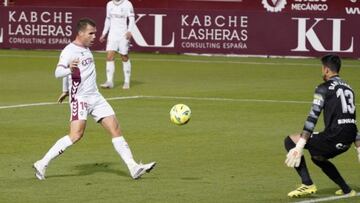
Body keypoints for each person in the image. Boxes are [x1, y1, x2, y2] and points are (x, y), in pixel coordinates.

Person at [33, 18, 155, 180]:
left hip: (96, 97)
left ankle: (133, 167)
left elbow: (75, 71)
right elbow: (58, 72)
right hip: (80, 99)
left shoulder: (85, 49)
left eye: (95, 33)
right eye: (90, 33)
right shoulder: (69, 50)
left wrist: (65, 89)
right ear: (81, 33)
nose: (93, 37)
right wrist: (69, 73)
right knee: (76, 135)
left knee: (115, 128)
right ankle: (42, 163)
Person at [284, 54, 359, 198]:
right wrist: (359, 147)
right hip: (348, 139)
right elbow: (351, 119)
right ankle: (347, 190)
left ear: (326, 69)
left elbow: (313, 117)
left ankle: (307, 184)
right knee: (318, 156)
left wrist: (299, 146)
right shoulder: (349, 89)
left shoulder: (323, 88)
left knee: (289, 140)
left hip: (334, 136)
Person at [99, 0, 135, 89]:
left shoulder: (127, 3)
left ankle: (126, 81)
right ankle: (109, 81)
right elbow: (107, 19)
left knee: (124, 56)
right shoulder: (109, 4)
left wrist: (129, 30)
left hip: (123, 34)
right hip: (112, 35)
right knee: (109, 56)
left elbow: (131, 18)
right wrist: (104, 33)